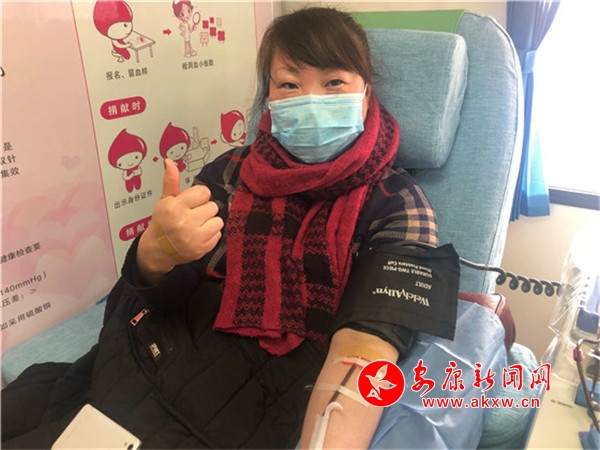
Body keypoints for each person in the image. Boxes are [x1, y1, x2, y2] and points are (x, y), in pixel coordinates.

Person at [1, 7, 444, 449]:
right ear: (269, 96)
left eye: (333, 83)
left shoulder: (400, 206)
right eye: (289, 84)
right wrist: (155, 253)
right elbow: (163, 294)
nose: (311, 100)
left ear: (366, 91)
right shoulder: (230, 170)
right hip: (143, 363)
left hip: (250, 414)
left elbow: (364, 350)